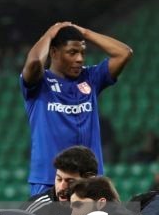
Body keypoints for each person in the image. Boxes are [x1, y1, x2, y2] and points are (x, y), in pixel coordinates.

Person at [20, 22, 132, 195]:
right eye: (72, 52)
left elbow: (124, 53)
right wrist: (49, 35)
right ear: (54, 52)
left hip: (88, 181)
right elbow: (34, 62)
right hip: (49, 180)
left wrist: (85, 32)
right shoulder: (40, 83)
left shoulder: (91, 78)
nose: (80, 58)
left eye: (82, 53)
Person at [25, 145, 99, 215]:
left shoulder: (104, 206)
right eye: (59, 179)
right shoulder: (38, 209)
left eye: (70, 181)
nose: (61, 187)